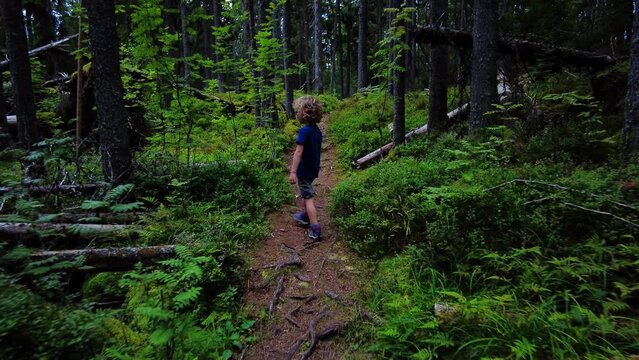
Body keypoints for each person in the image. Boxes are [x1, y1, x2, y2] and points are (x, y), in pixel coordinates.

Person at [288, 96, 323, 240]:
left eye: (298, 111)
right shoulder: (316, 130)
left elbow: (298, 152)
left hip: (304, 170)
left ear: (303, 114)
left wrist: (293, 172)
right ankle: (304, 215)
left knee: (308, 197)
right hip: (313, 169)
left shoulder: (304, 131)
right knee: (305, 192)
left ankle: (315, 227)